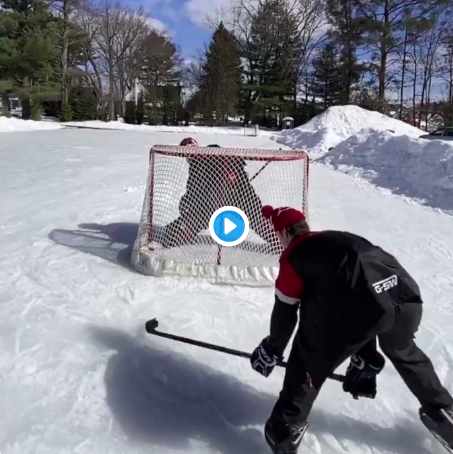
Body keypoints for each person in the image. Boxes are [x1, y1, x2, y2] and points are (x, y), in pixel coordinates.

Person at [250, 205, 453, 454]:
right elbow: (354, 292)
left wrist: (273, 348)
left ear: (282, 233)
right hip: (403, 296)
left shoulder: (294, 256)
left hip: (363, 311)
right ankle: (443, 411)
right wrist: (363, 352)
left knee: (307, 359)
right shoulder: (334, 238)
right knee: (403, 350)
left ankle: (284, 430)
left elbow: (285, 311)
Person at [161, 139, 280, 250]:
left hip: (239, 205)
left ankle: (281, 243)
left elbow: (247, 191)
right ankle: (175, 237)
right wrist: (186, 203)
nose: (190, 154)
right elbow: (193, 192)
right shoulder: (196, 167)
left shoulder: (224, 161)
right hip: (211, 208)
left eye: (192, 148)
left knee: (257, 221)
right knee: (188, 224)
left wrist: (254, 207)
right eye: (187, 152)